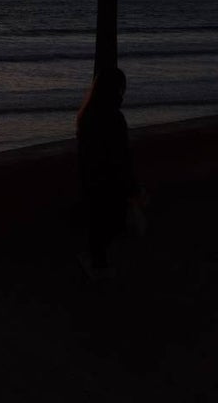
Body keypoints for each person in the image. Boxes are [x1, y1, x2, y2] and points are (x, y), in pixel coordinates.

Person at [75, 67, 142, 279]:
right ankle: (102, 268)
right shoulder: (114, 118)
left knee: (97, 225)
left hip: (91, 180)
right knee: (113, 225)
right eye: (121, 88)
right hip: (110, 182)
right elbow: (121, 157)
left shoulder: (86, 115)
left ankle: (97, 263)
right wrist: (132, 188)